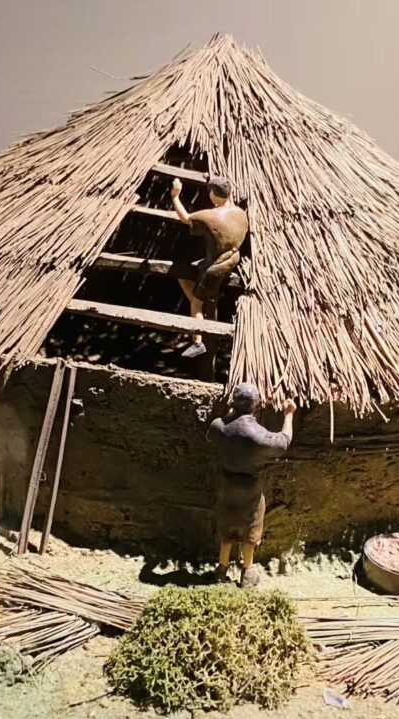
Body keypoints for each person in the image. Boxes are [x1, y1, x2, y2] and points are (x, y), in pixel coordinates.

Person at [207, 383, 297, 588]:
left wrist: (230, 415)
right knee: (252, 525)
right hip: (251, 488)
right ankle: (247, 572)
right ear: (256, 405)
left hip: (227, 485)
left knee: (226, 523)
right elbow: (284, 440)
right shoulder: (258, 436)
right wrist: (289, 414)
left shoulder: (218, 426)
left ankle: (222, 568)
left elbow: (214, 432)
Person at [169, 175, 248, 358]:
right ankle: (202, 303)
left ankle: (198, 342)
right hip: (232, 259)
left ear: (213, 194)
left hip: (215, 266)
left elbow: (185, 218)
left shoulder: (210, 216)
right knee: (186, 280)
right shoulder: (240, 214)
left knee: (196, 303)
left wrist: (175, 196)